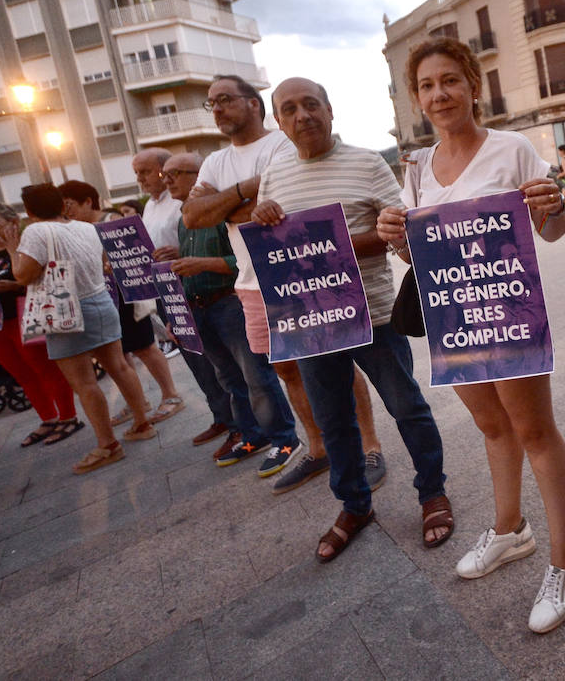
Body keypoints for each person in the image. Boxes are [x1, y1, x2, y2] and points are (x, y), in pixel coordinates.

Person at [377, 38, 565, 633]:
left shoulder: (512, 148)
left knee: (534, 429)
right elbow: (416, 252)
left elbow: (554, 230)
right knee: (491, 426)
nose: (438, 94)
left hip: (508, 310)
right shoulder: (414, 167)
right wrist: (396, 231)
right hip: (450, 315)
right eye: (426, 86)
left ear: (473, 84)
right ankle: (510, 528)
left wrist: (553, 205)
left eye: (449, 81)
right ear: (416, 99)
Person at [251, 77, 451, 563]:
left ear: (330, 109)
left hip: (374, 314)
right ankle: (354, 505)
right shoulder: (274, 174)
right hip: (311, 323)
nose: (303, 115)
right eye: (290, 109)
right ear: (279, 122)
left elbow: (398, 227)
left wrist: (328, 241)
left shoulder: (365, 163)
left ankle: (432, 494)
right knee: (334, 420)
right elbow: (274, 242)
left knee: (406, 407)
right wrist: (265, 219)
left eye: (311, 104)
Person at [182, 74, 386, 485]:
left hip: (299, 276)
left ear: (254, 105)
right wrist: (242, 192)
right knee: (288, 370)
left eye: (225, 99)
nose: (217, 109)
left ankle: (370, 447)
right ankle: (319, 447)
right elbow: (192, 217)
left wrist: (223, 206)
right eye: (211, 103)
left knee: (340, 364)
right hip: (250, 282)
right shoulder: (214, 162)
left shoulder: (281, 144)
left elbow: (281, 210)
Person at [162, 152, 307, 486]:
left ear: (198, 177)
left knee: (257, 376)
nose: (166, 180)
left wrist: (202, 264)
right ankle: (252, 434)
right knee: (228, 378)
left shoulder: (220, 213)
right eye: (163, 175)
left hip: (228, 301)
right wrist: (178, 310)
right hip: (199, 307)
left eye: (175, 173)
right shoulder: (186, 219)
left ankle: (285, 439)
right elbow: (187, 264)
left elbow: (238, 259)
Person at [5, 183, 154, 474]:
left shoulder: (35, 232)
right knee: (120, 366)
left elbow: (24, 275)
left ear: (30, 211)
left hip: (63, 308)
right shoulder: (87, 228)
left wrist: (13, 251)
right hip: (100, 299)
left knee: (84, 382)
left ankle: (107, 445)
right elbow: (100, 263)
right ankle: (142, 422)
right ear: (62, 204)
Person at [58, 180, 184, 426]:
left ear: (87, 201)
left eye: (70, 204)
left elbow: (133, 256)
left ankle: (171, 394)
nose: (67, 211)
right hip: (105, 296)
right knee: (120, 353)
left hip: (127, 294)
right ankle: (135, 401)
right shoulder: (77, 228)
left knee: (144, 346)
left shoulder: (110, 220)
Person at [0, 203, 83, 447]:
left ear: (12, 221)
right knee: (21, 374)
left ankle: (68, 416)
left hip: (25, 315)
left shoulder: (26, 245)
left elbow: (46, 277)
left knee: (46, 369)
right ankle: (48, 418)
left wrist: (14, 286)